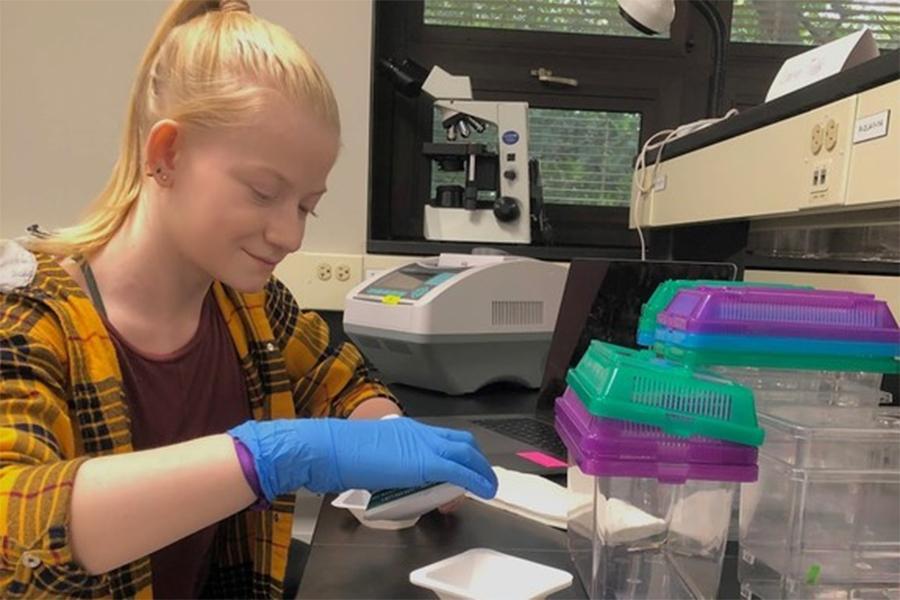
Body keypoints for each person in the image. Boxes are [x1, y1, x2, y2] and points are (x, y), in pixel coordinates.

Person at [0, 0, 497, 597]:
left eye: (307, 205)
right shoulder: (26, 315)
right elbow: (15, 527)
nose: (290, 234)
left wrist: (395, 448)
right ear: (166, 155)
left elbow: (340, 384)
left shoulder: (250, 307)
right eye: (264, 193)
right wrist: (264, 458)